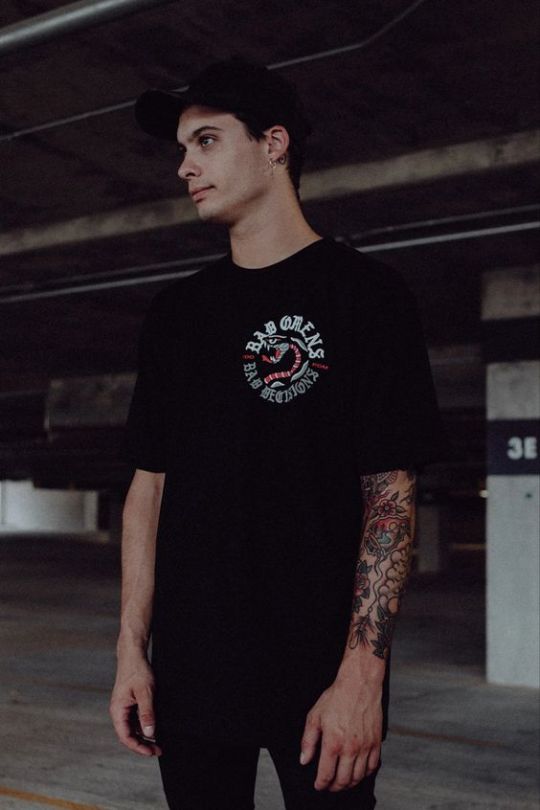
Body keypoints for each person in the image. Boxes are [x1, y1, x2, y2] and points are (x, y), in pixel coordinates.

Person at [109, 56, 446, 810]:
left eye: (205, 141)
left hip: (320, 681)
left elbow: (389, 497)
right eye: (182, 149)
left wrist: (363, 677)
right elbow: (148, 489)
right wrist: (132, 650)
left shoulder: (367, 296)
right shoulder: (176, 316)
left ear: (274, 143)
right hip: (192, 674)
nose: (184, 167)